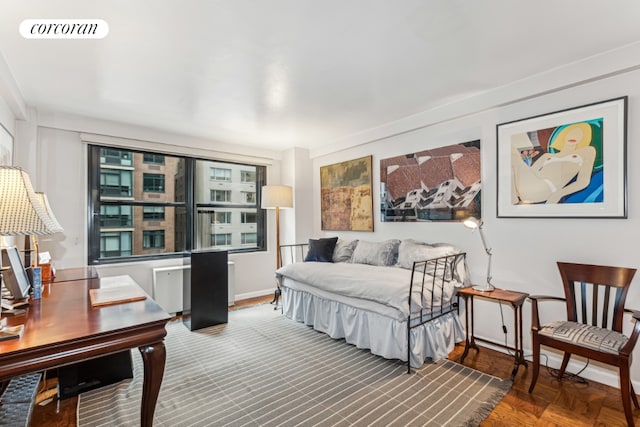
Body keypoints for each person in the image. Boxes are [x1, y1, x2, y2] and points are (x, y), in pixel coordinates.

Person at [511, 122, 596, 204]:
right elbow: (532, 172)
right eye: (571, 133)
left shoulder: (587, 151)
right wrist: (521, 164)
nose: (574, 136)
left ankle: (511, 199)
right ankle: (512, 198)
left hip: (546, 189)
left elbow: (583, 182)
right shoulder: (547, 155)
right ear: (564, 135)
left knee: (510, 152)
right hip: (529, 188)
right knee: (510, 154)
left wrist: (558, 194)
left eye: (579, 134)